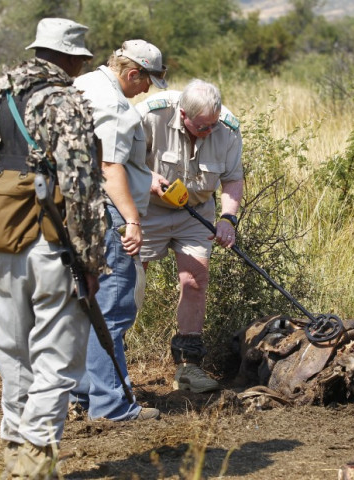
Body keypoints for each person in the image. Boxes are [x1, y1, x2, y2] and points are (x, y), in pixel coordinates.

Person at [0, 18, 105, 478]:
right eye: (79, 60)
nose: (80, 69)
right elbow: (82, 189)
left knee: (14, 353)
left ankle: (12, 454)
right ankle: (35, 462)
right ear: (67, 58)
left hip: (6, 242)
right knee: (57, 357)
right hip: (55, 245)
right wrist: (89, 260)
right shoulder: (65, 102)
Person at [70, 40, 168, 421]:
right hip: (107, 216)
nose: (146, 90)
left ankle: (82, 393)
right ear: (132, 73)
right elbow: (110, 169)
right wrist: (133, 220)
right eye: (146, 82)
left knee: (83, 305)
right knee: (112, 309)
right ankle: (112, 405)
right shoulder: (113, 105)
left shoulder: (82, 85)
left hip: (74, 212)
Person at [136, 79, 244, 393]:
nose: (209, 131)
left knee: (195, 280)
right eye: (202, 126)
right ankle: (112, 364)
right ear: (183, 114)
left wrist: (228, 219)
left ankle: (188, 368)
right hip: (147, 208)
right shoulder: (149, 115)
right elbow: (119, 163)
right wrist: (148, 177)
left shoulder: (227, 127)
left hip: (196, 211)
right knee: (131, 282)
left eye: (213, 125)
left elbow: (233, 179)